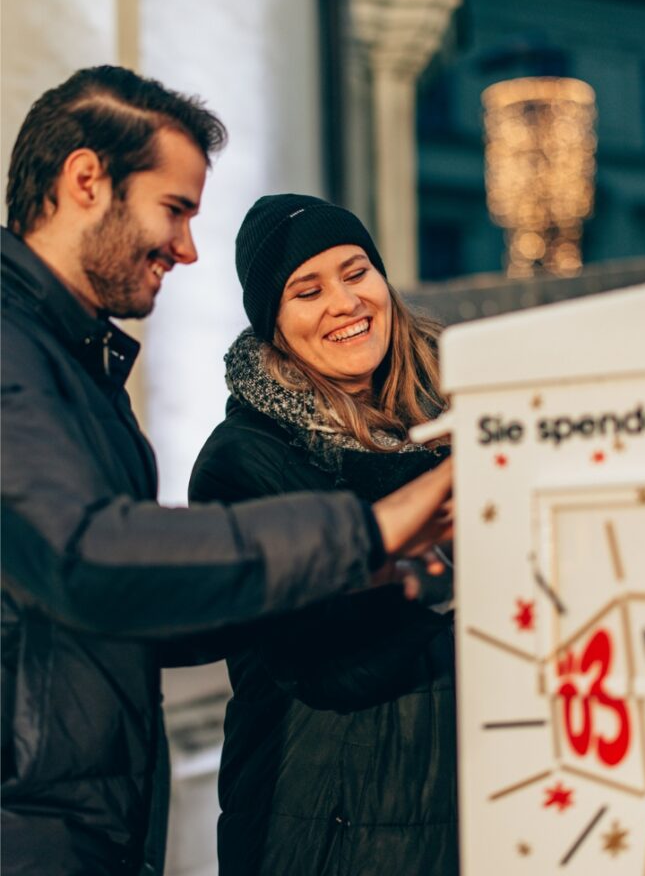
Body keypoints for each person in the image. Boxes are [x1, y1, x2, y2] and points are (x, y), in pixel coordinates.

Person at [0, 67, 454, 874]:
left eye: (356, 273)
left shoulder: (74, 361)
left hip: (86, 823)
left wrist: (393, 569)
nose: (186, 247)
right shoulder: (14, 348)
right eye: (174, 210)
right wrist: (376, 534)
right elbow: (89, 556)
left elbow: (156, 618)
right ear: (85, 181)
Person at [184, 195, 459, 874]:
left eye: (356, 270)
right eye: (307, 290)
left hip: (468, 803)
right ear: (274, 324)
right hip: (325, 824)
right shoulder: (243, 460)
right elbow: (323, 653)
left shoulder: (464, 411)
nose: (345, 301)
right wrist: (453, 556)